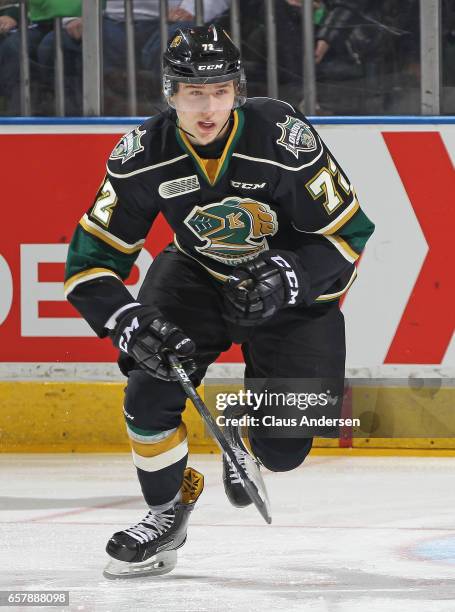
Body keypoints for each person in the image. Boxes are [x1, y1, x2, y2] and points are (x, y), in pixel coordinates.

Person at [65, 24, 375, 578]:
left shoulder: (281, 136)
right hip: (196, 277)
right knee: (148, 386)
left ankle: (250, 443)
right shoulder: (141, 155)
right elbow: (91, 264)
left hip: (293, 292)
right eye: (193, 94)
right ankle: (165, 514)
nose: (208, 108)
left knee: (286, 448)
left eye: (220, 92)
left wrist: (288, 277)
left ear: (238, 90)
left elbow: (348, 235)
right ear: (169, 93)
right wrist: (127, 320)